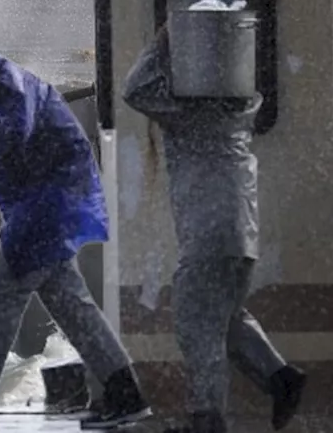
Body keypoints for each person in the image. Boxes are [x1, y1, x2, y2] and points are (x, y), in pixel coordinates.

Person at [0, 34, 153, 430]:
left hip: (48, 203)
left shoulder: (10, 84)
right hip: (39, 207)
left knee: (0, 296)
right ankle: (125, 392)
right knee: (74, 308)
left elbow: (12, 135)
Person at [121, 23, 308, 433]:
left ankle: (206, 419)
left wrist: (163, 41)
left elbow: (133, 90)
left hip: (207, 237)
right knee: (226, 319)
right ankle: (280, 378)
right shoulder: (244, 106)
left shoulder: (192, 114)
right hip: (242, 236)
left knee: (196, 324)